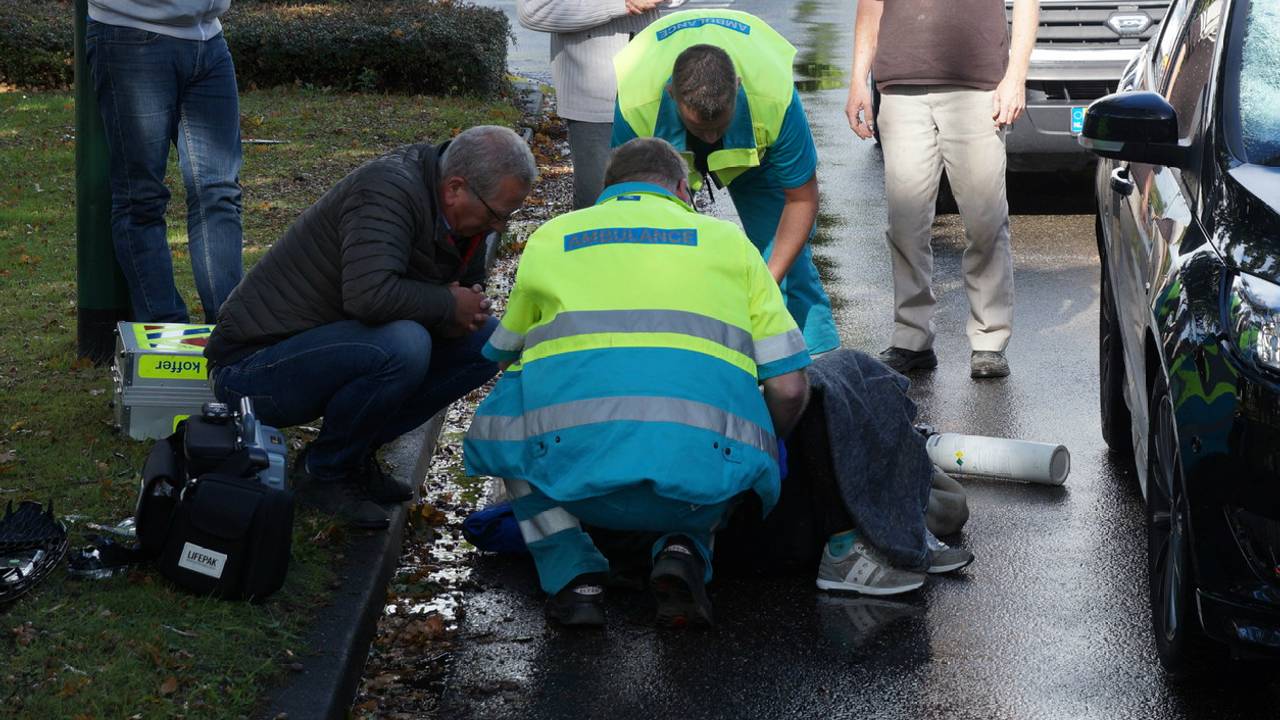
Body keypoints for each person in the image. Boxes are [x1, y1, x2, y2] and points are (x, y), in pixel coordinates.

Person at [463, 138, 812, 628]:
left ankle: (573, 577)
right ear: (681, 191)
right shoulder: (730, 243)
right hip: (697, 479)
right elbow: (790, 388)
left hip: (574, 477)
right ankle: (684, 548)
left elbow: (502, 354)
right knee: (737, 413)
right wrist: (766, 444)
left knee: (508, 403)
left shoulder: (553, 236)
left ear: (608, 189)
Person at [205, 126, 536, 530]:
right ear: (455, 189)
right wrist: (448, 304)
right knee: (403, 345)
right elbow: (368, 296)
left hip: (331, 348)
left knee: (484, 343)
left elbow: (444, 300)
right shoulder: (387, 190)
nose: (500, 226)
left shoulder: (458, 216)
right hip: (251, 371)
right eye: (498, 213)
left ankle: (354, 454)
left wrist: (462, 314)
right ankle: (324, 473)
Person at [610, 9, 840, 355]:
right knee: (661, 256)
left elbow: (802, 199)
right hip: (662, 151)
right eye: (701, 129)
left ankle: (816, 361)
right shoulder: (637, 101)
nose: (712, 135)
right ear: (673, 94)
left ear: (738, 87)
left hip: (757, 158)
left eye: (719, 125)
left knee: (790, 267)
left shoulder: (774, 94)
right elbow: (628, 206)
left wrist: (767, 283)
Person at [846, 0, 1039, 379]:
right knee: (905, 224)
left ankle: (989, 341)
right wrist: (857, 80)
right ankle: (912, 339)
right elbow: (870, 5)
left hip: (976, 88)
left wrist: (1016, 76)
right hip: (900, 90)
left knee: (985, 220)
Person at [85, 0, 245, 323]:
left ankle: (232, 333)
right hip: (132, 31)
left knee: (220, 194)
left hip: (208, 38)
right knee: (141, 200)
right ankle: (166, 337)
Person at [516, 0, 664, 210]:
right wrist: (620, 4)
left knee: (656, 205)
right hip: (594, 105)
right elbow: (532, 11)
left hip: (652, 94)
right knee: (598, 206)